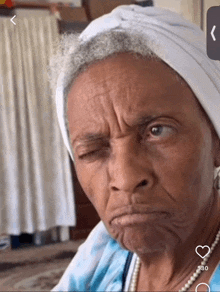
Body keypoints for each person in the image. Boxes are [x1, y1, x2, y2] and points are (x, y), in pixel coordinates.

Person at [50, 4, 220, 292]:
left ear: (216, 137)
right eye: (93, 150)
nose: (125, 178)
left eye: (158, 131)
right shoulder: (103, 250)